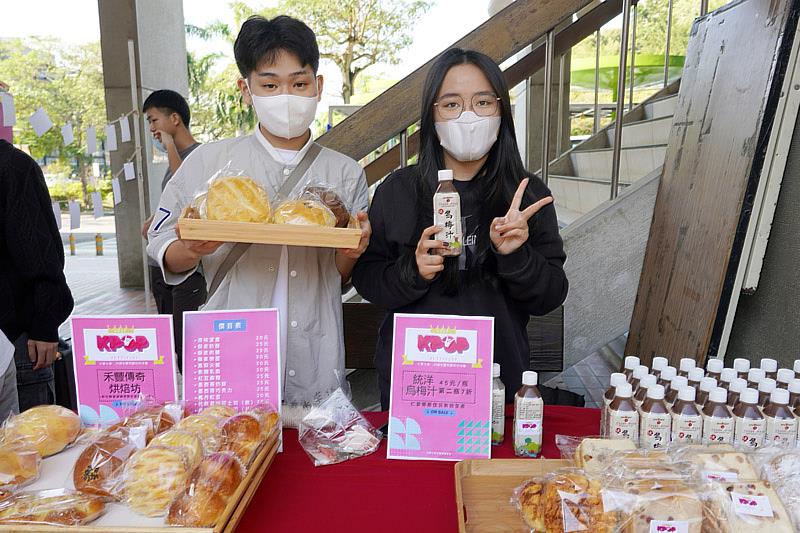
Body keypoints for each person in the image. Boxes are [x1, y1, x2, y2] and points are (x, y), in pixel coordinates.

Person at [147, 15, 371, 425]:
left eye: (299, 83)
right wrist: (191, 247)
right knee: (226, 467)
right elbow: (164, 249)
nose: (286, 95)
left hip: (314, 361)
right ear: (246, 90)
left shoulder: (345, 173)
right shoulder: (207, 163)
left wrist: (352, 252)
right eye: (270, 84)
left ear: (318, 87)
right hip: (232, 358)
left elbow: (340, 275)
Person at [352, 48, 569, 409]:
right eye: (451, 105)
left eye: (483, 102)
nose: (468, 116)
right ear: (431, 116)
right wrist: (414, 271)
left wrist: (517, 257)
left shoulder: (527, 194)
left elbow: (550, 295)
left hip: (498, 385)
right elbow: (369, 279)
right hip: (415, 387)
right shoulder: (399, 189)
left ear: (501, 113)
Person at [0, 139, 74, 414]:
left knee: (34, 449)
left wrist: (44, 326)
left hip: (18, 342)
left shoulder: (13, 167)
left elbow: (42, 255)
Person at [140, 89, 204, 372]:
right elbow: (172, 205)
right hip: (161, 263)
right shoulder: (176, 157)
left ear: (174, 118)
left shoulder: (201, 155)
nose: (152, 129)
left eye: (154, 120)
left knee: (186, 346)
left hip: (187, 270)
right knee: (172, 348)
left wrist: (169, 148)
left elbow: (187, 192)